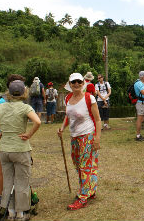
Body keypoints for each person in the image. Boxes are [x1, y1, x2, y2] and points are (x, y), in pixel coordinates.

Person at [0, 80, 41, 221]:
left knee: (8, 181)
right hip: (20, 149)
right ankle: (22, 213)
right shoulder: (25, 108)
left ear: (9, 92)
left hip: (4, 149)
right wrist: (29, 134)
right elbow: (37, 122)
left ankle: (11, 211)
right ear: (24, 92)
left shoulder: (1, 107)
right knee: (22, 181)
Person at [58, 73, 101, 210]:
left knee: (85, 166)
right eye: (73, 82)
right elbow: (68, 116)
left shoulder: (90, 98)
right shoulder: (68, 98)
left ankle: (83, 197)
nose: (76, 84)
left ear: (83, 83)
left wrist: (97, 138)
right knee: (77, 164)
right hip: (74, 136)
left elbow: (98, 120)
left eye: (79, 81)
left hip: (87, 135)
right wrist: (62, 127)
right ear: (69, 84)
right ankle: (90, 190)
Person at [0, 74, 26, 207]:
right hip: (1, 138)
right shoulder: (3, 101)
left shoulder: (12, 101)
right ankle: (0, 197)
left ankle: (12, 196)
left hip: (10, 139)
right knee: (2, 171)